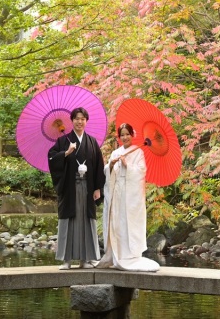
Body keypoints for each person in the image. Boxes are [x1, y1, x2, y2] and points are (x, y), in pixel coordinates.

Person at [48, 107, 105, 270]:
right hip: (69, 187)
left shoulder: (92, 142)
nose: (80, 122)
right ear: (71, 121)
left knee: (85, 222)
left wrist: (97, 188)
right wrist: (66, 152)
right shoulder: (63, 141)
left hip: (87, 188)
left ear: (86, 121)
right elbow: (52, 158)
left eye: (83, 119)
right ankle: (66, 260)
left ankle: (85, 260)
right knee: (69, 221)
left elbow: (99, 166)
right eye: (76, 119)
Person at [97, 123, 160, 272]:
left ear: (132, 135)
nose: (125, 137)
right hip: (117, 194)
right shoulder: (115, 152)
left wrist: (127, 166)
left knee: (128, 223)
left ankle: (129, 256)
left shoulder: (138, 153)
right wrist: (110, 166)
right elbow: (108, 173)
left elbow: (141, 172)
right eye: (122, 135)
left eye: (127, 134)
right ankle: (116, 253)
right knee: (117, 222)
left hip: (130, 195)